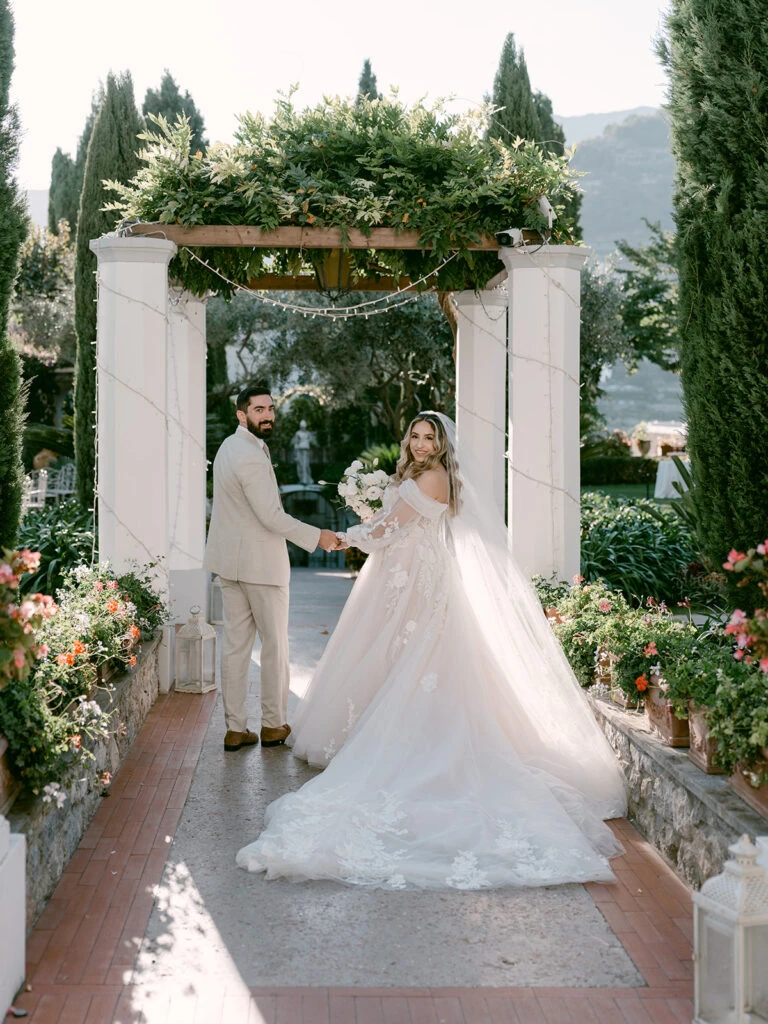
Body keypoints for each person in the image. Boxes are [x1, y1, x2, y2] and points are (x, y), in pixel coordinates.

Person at [236, 412, 627, 889]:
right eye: (416, 436)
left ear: (442, 445)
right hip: (399, 575)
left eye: (429, 438)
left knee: (420, 657)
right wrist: (370, 519)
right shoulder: (415, 473)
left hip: (419, 580)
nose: (421, 444)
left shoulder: (436, 477)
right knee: (395, 655)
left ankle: (418, 740)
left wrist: (343, 539)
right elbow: (393, 521)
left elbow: (389, 529)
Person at [204, 384, 340, 753]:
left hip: (230, 565)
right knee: (275, 648)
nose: (267, 416)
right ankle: (273, 725)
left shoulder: (228, 447)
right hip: (261, 566)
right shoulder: (250, 454)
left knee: (235, 649)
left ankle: (235, 729)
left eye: (270, 408)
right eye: (258, 410)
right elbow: (270, 516)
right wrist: (318, 536)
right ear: (241, 415)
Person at [290, 419, 315, 486]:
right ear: (300, 426)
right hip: (299, 451)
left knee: (306, 465)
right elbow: (296, 443)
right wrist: (296, 454)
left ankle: (307, 480)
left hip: (305, 451)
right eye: (302, 427)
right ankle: (302, 480)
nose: (303, 428)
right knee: (300, 466)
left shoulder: (308, 433)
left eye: (304, 427)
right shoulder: (298, 433)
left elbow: (311, 441)